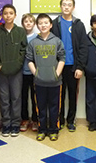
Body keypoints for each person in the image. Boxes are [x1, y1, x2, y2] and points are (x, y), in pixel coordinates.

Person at [51, 0, 88, 132]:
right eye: (64, 4)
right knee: (58, 95)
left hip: (73, 66)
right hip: (58, 66)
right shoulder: (54, 24)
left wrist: (80, 67)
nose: (66, 7)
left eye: (69, 5)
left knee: (73, 94)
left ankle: (71, 120)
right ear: (60, 6)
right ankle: (59, 120)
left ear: (73, 7)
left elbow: (84, 47)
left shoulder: (78, 24)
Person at [26, 13, 65, 141]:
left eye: (46, 23)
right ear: (37, 26)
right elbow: (29, 60)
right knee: (41, 107)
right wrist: (36, 73)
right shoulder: (33, 42)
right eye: (40, 23)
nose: (43, 25)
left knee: (55, 107)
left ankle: (53, 130)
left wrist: (56, 74)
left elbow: (62, 58)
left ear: (50, 25)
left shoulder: (57, 41)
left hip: (55, 82)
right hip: (39, 82)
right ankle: (42, 129)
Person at [0, 4, 28, 137]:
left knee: (16, 97)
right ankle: (6, 124)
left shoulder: (20, 31)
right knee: (4, 98)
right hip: (1, 70)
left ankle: (15, 124)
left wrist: (17, 65)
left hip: (16, 71)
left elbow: (23, 50)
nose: (8, 15)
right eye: (6, 13)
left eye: (11, 13)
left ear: (15, 15)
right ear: (2, 16)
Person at [20, 13, 38, 132]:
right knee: (23, 97)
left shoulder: (38, 37)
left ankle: (36, 120)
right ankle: (25, 119)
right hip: (21, 72)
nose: (28, 23)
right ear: (22, 23)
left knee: (35, 97)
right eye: (26, 21)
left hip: (34, 73)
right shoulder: (19, 36)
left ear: (34, 23)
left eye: (30, 21)